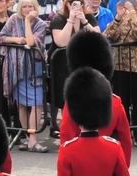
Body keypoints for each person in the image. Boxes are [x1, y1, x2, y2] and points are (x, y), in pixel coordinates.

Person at [60, 32, 133, 165]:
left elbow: (66, 139)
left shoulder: (72, 103)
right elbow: (125, 140)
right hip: (109, 165)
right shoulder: (115, 102)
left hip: (79, 166)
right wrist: (122, 168)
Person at [0, 0, 49, 152]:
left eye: (30, 6)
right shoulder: (13, 19)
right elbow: (0, 37)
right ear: (20, 8)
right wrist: (15, 40)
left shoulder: (40, 24)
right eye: (24, 6)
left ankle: (33, 139)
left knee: (37, 104)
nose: (27, 9)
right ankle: (28, 139)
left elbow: (31, 42)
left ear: (35, 8)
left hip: (35, 69)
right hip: (16, 68)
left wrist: (27, 21)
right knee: (21, 104)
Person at [105, 0, 137, 148]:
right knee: (122, 101)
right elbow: (110, 34)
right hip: (121, 64)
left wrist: (132, 13)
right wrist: (118, 18)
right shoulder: (122, 17)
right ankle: (122, 133)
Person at [49, 0, 100, 139]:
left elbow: (97, 37)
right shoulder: (58, 19)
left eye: (80, 3)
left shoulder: (88, 17)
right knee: (63, 98)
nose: (77, 7)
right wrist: (71, 20)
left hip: (83, 64)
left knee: (82, 97)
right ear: (67, 5)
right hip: (62, 65)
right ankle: (60, 129)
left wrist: (84, 21)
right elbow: (61, 41)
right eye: (73, 4)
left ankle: (81, 130)